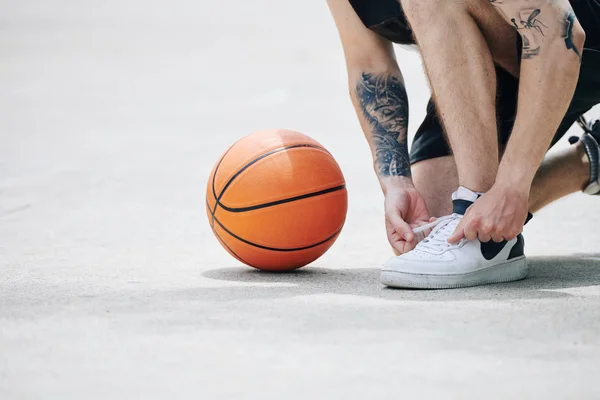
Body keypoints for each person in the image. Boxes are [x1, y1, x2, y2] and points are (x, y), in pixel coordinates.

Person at [327, 0, 600, 288]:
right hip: (495, 63)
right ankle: (589, 159)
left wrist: (511, 185)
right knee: (438, 223)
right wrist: (397, 182)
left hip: (573, 48)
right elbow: (370, 66)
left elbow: (559, 30)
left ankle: (478, 204)